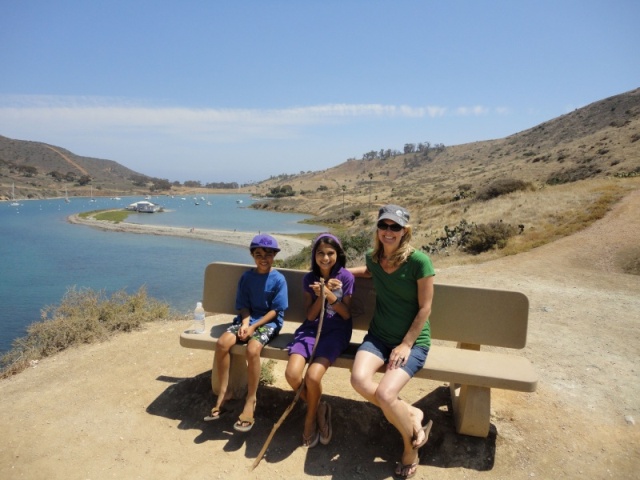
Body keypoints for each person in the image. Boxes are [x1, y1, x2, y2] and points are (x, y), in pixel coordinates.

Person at [349, 205, 435, 480]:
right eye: (384, 226)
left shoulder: (419, 262)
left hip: (412, 342)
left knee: (386, 395)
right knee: (358, 381)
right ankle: (412, 413)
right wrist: (338, 273)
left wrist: (406, 344)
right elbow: (367, 269)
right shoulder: (374, 259)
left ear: (404, 231)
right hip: (378, 338)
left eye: (395, 227)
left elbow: (425, 308)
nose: (388, 231)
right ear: (378, 229)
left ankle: (410, 449)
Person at [205, 234, 288, 433]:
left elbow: (275, 311)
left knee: (253, 349)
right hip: (247, 320)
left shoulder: (278, 279)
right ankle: (225, 391)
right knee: (223, 343)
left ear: (274, 256)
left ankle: (251, 399)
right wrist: (244, 324)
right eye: (258, 254)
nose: (263, 258)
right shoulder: (247, 278)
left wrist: (253, 328)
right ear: (252, 255)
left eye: (268, 254)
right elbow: (243, 306)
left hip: (268, 324)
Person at [285, 234, 354, 448]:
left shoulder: (346, 277)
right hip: (310, 331)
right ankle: (319, 408)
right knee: (292, 374)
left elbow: (345, 315)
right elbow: (311, 316)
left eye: (330, 253)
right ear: (314, 255)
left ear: (338, 255)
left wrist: (332, 295)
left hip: (336, 332)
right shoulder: (308, 280)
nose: (325, 258)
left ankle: (309, 419)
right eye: (320, 253)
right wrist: (320, 296)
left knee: (313, 377)